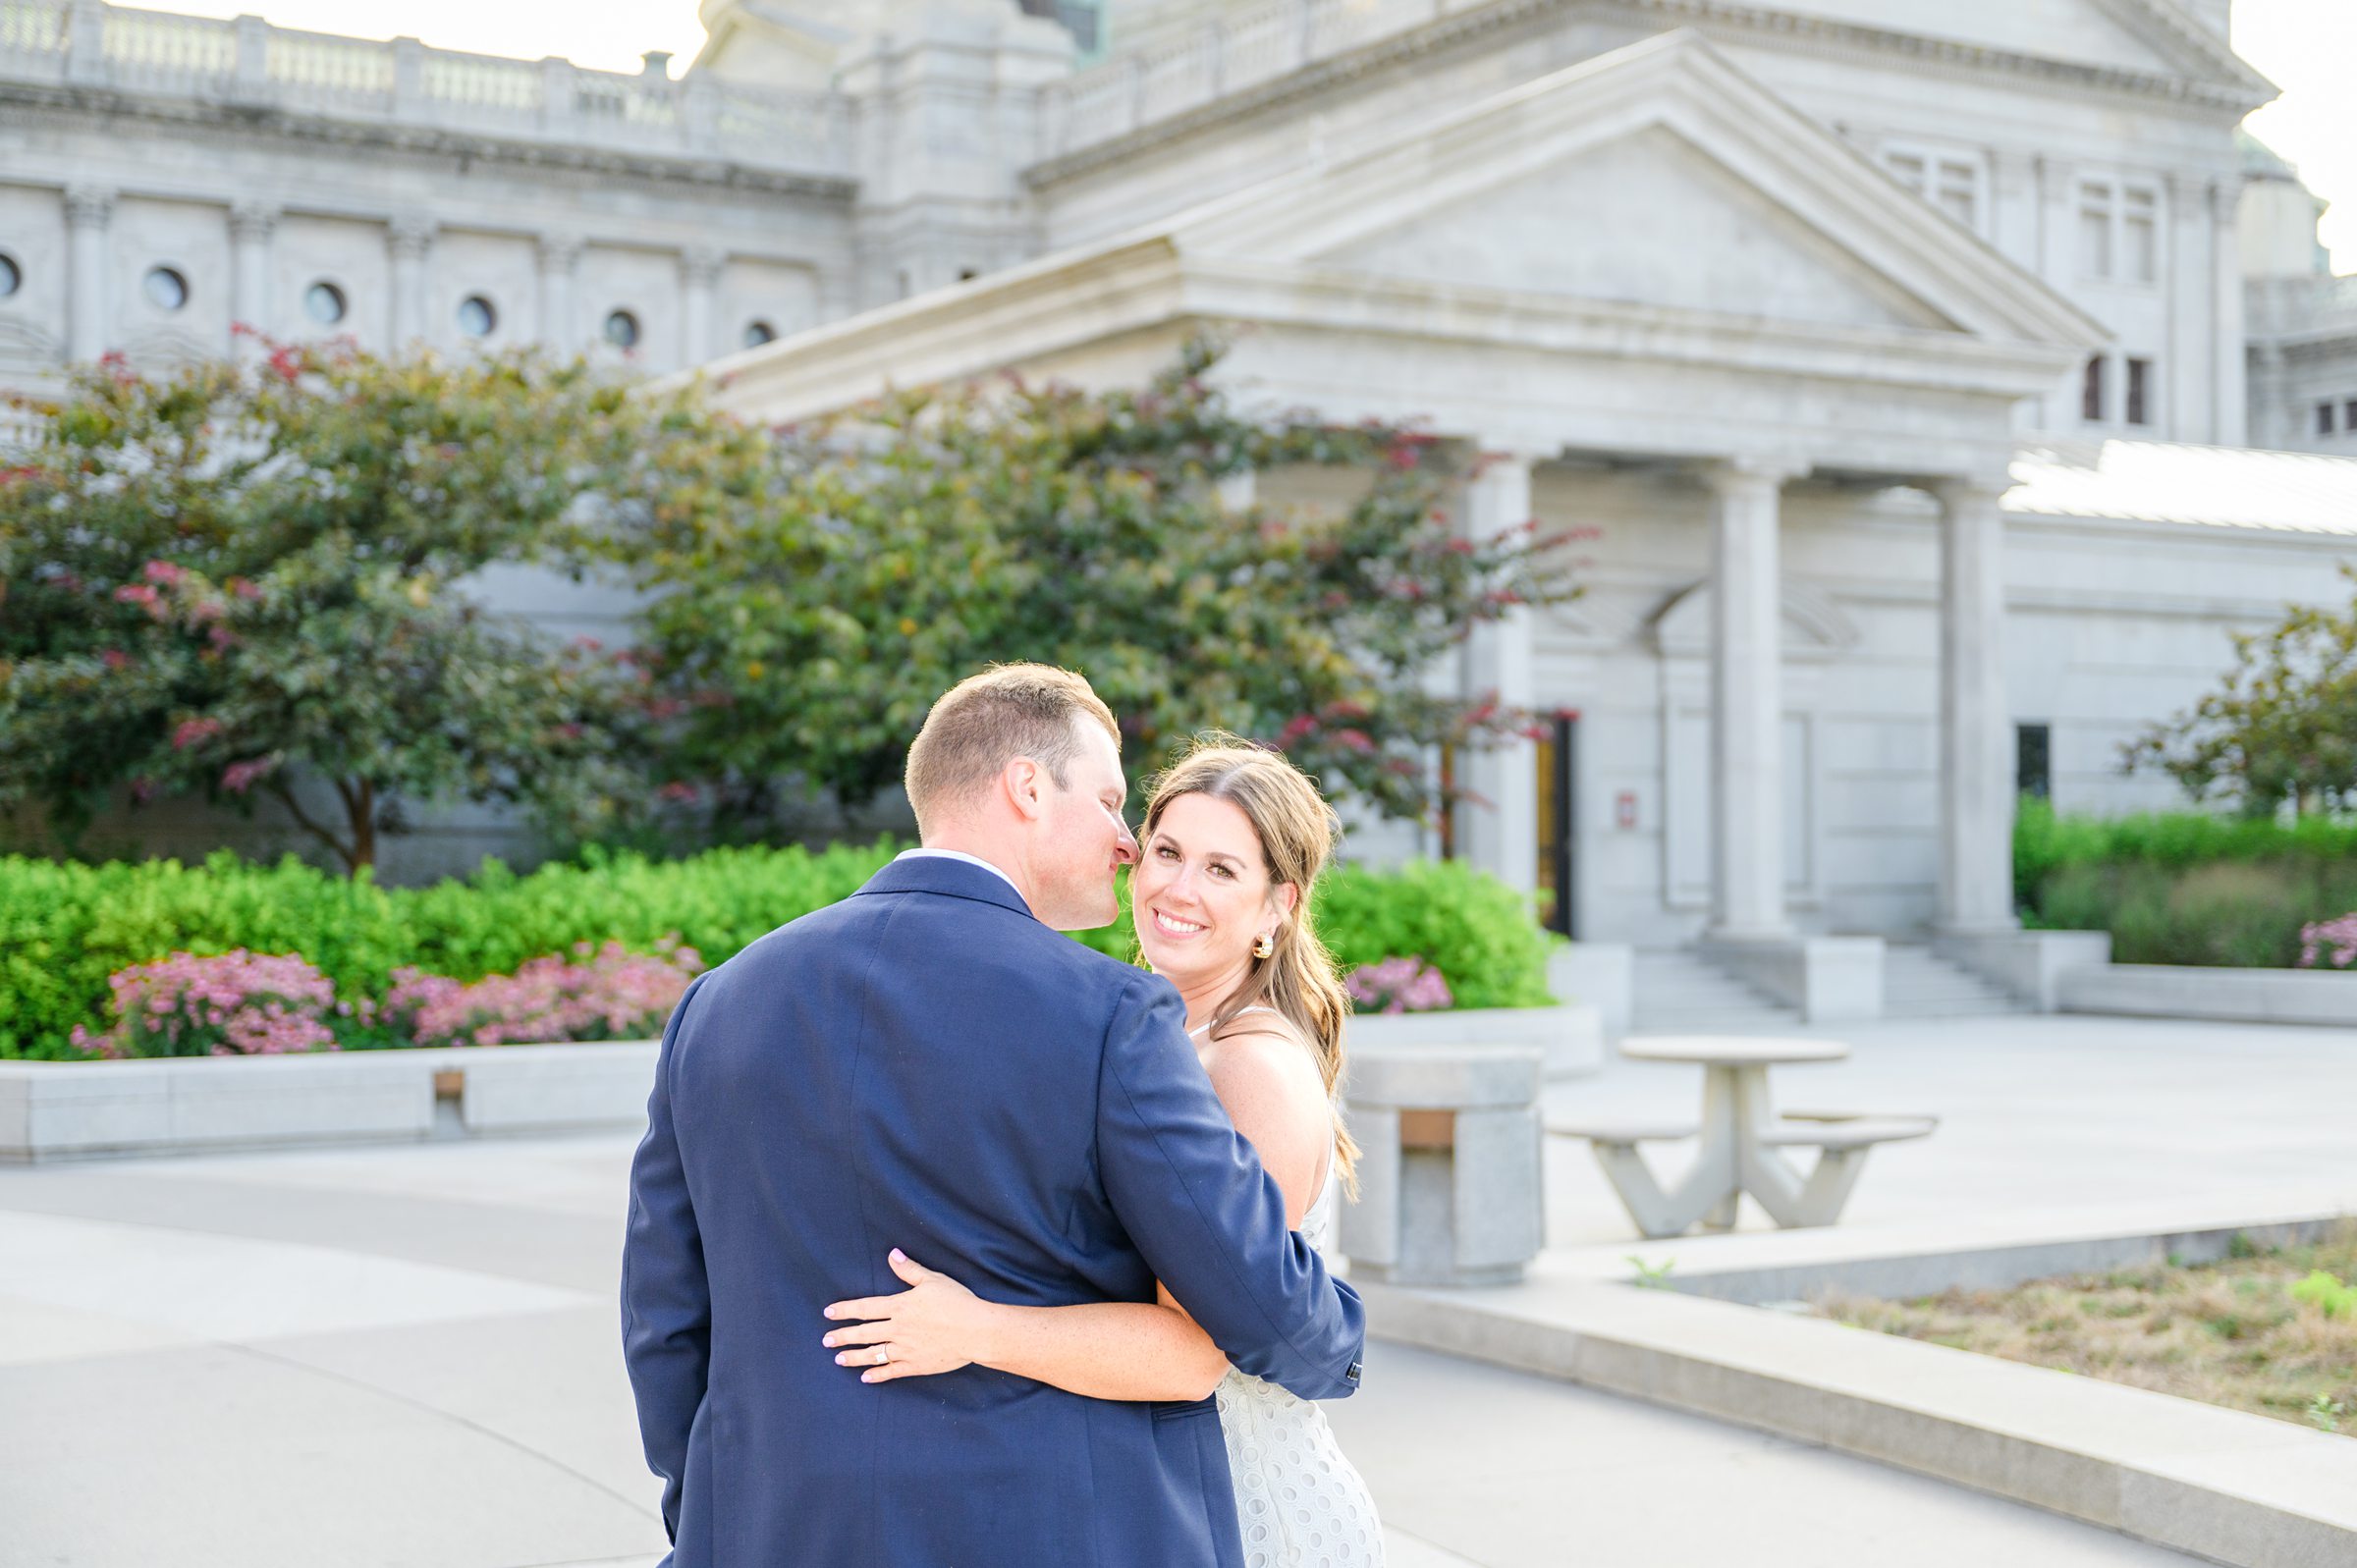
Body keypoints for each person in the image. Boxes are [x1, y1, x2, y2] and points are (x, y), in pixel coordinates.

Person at [621, 666, 1364, 1568]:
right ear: (1025, 788)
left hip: (777, 1525)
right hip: (1042, 1528)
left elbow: (666, 1317)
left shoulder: (718, 1002)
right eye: (1109, 800)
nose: (1126, 842)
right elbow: (1252, 1302)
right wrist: (1341, 1344)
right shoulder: (1108, 1015)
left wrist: (712, 1513)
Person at [822, 735, 1384, 1568]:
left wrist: (973, 1327)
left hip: (1247, 1506)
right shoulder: (1166, 1031)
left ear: (1278, 907)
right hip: (1160, 1489)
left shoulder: (1247, 1063)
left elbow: (1196, 1349)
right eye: (1166, 851)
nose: (1176, 887)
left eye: (1222, 870)